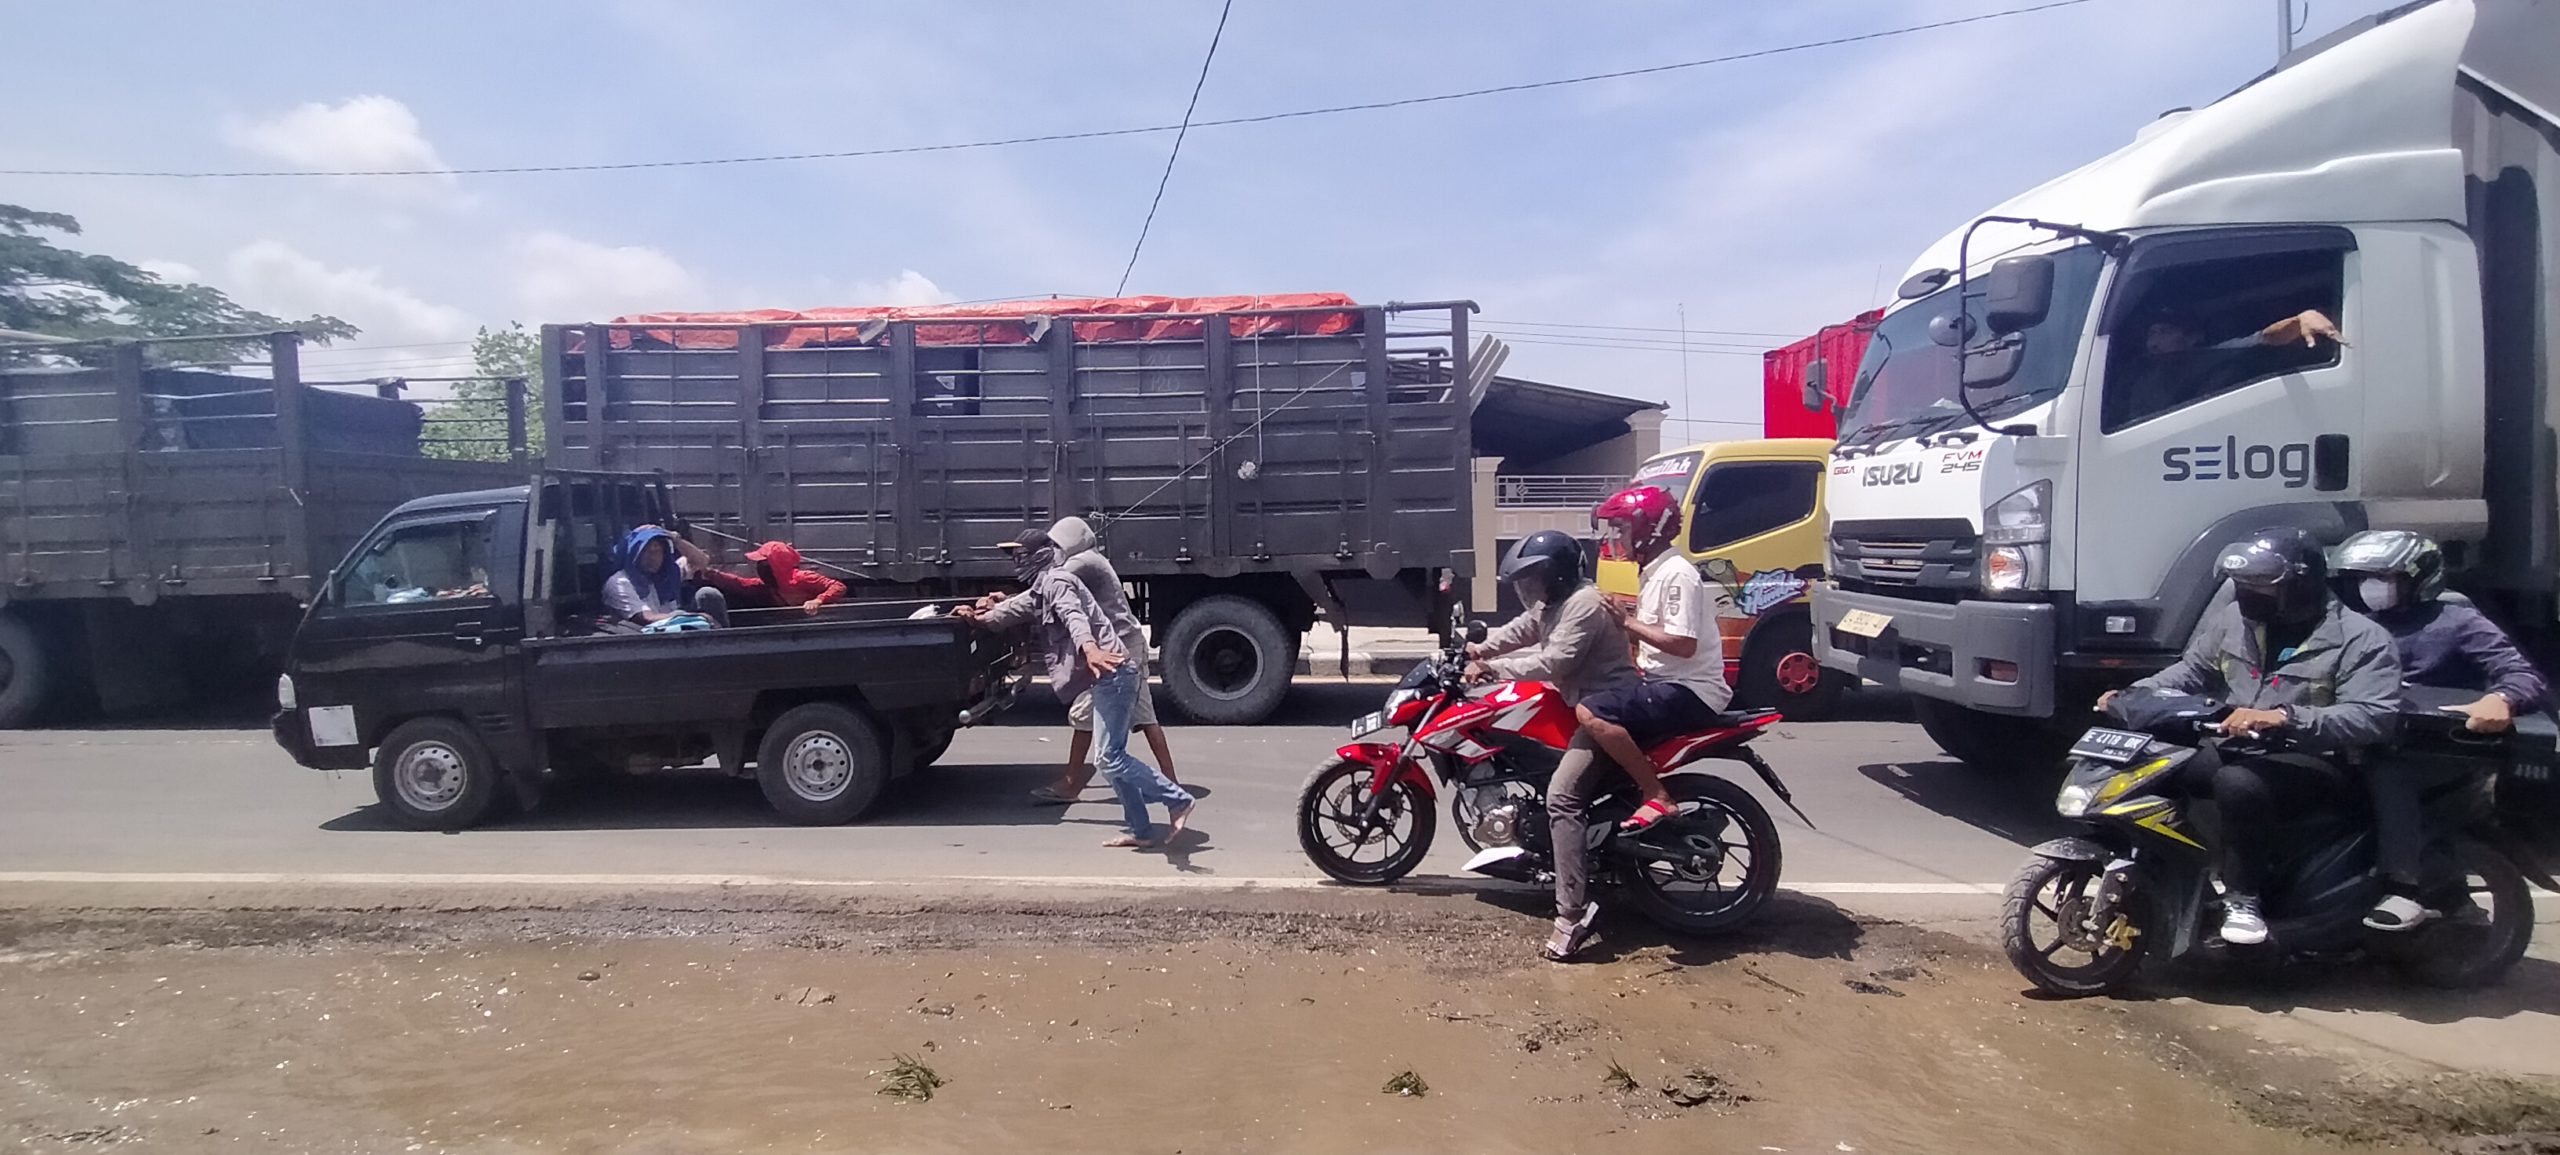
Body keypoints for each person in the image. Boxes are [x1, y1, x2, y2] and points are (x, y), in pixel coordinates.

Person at [2102, 528, 2402, 946]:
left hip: (2317, 759)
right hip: (2240, 746)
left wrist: (2283, 717)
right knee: (2158, 765)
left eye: (2260, 586)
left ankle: (2244, 898)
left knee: (2238, 785)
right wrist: (2137, 694)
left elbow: (2373, 716)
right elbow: (2192, 673)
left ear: (2300, 586)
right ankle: (2170, 875)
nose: (2247, 594)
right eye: (2241, 585)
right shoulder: (2235, 621)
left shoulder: (2361, 638)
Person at [2332, 529, 2552, 930]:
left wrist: (2500, 699)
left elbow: (2522, 675)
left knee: (2387, 769)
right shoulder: (2354, 625)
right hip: (2365, 734)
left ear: (2420, 578)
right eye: (2364, 578)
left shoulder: (2456, 621)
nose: (2372, 588)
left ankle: (2405, 888)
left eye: (2385, 579)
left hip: (2433, 749)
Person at [1465, 530, 1640, 962]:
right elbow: (1522, 629)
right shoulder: (1555, 604)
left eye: (1536, 579)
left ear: (1558, 574)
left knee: (1563, 797)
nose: (1531, 589)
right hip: (1580, 703)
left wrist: (1492, 669)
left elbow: (1555, 661)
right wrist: (1475, 649)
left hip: (1607, 708)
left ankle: (1573, 913)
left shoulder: (1584, 605)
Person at [961, 528, 1195, 848]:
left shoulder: (1060, 580)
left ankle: (1176, 798)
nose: (1018, 564)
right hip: (1105, 673)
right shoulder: (1045, 586)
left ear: (1042, 555)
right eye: (1015, 558)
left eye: (1022, 556)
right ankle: (1140, 829)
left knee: (1110, 757)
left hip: (1113, 668)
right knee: (1109, 757)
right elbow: (1016, 610)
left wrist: (1089, 648)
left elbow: (1075, 617)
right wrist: (978, 618)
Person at [1580, 486, 1734, 831]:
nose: (1615, 536)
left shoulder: (1676, 574)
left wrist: (1626, 622)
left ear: (1649, 529)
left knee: (1591, 711)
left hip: (1689, 690)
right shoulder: (1652, 572)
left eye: (1622, 528)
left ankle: (1656, 794)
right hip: (1662, 681)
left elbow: (1682, 644)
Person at [1008, 516, 1180, 805]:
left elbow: (1041, 594)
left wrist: (996, 611)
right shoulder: (1091, 560)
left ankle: (1072, 784)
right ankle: (1171, 783)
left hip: (1112, 652)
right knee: (1145, 718)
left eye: (1056, 543)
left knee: (1086, 717)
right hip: (1127, 645)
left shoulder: (1082, 563)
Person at [2117, 306, 2345, 424]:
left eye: (2164, 332)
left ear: (2193, 337)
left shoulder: (2218, 356)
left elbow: (2266, 337)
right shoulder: (2140, 376)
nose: (2154, 343)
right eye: (2151, 334)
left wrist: (2299, 320)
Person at [603, 525, 729, 627]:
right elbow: (646, 618)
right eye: (646, 552)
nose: (652, 557)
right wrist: (690, 616)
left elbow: (702, 561)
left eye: (657, 551)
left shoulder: (669, 573)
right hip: (646, 639)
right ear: (635, 555)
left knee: (708, 594)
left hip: (677, 629)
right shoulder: (619, 582)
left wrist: (673, 538)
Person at [694, 540, 847, 617]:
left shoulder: (803, 578)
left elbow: (838, 586)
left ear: (776, 564)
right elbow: (740, 584)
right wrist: (709, 573)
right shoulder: (769, 586)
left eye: (764, 562)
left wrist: (818, 601)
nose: (760, 567)